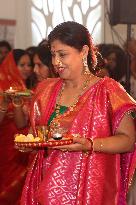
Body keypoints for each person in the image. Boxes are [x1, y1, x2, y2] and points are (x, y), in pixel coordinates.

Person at [21, 21, 136, 205]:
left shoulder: (108, 90)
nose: (55, 62)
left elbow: (128, 141)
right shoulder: (45, 89)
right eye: (53, 55)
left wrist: (89, 144)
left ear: (83, 51)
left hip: (89, 190)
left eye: (63, 54)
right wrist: (30, 143)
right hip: (46, 190)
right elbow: (36, 135)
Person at [0, 49, 33, 205]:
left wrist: (19, 103)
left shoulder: (25, 88)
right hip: (4, 145)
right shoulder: (1, 86)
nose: (28, 68)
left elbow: (21, 124)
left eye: (29, 65)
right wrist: (4, 104)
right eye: (22, 65)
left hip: (19, 144)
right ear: (12, 67)